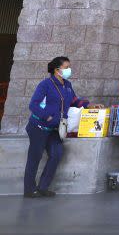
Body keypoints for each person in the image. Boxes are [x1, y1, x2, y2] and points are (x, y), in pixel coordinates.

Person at [23, 56, 91, 198]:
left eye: (69, 67)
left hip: (55, 129)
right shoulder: (45, 85)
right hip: (39, 127)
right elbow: (33, 105)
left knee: (56, 154)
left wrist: (89, 105)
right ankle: (29, 190)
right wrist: (47, 117)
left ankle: (43, 187)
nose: (69, 70)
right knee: (34, 157)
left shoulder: (67, 85)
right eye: (66, 67)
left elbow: (74, 101)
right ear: (57, 70)